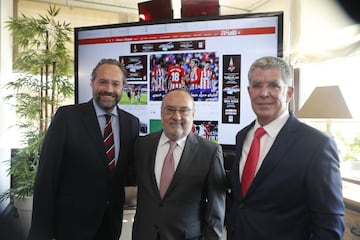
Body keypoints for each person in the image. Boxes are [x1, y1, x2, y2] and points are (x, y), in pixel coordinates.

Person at [226, 56, 345, 240]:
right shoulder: (243, 136)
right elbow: (244, 201)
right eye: (257, 86)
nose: (264, 93)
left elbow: (329, 222)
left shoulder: (317, 145)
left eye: (274, 85)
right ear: (249, 92)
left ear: (289, 93)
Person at [28, 58, 140, 240]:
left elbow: (128, 173)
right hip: (70, 227)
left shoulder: (131, 123)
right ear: (92, 82)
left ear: (123, 88)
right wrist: (40, 233)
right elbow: (46, 179)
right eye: (103, 82)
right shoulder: (67, 118)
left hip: (110, 227)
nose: (109, 89)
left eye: (115, 84)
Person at [132, 88, 226, 240]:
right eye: (170, 110)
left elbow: (216, 212)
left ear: (193, 115)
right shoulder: (142, 146)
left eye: (184, 110)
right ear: (161, 113)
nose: (176, 116)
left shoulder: (210, 151)